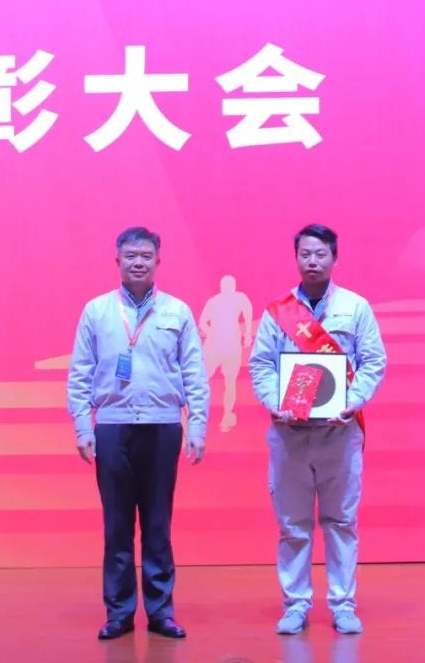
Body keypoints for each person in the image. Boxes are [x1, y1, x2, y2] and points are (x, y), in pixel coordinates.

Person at [67, 226, 210, 640]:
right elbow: (80, 373)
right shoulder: (97, 311)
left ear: (157, 261)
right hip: (112, 426)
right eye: (130, 256)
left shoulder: (177, 311)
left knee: (157, 523)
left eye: (146, 256)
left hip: (163, 425)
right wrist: (83, 426)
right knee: (116, 526)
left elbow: (194, 373)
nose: (138, 262)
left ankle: (161, 611)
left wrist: (197, 424)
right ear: (117, 261)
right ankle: (119, 612)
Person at [248, 223, 387, 635]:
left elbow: (373, 361)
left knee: (340, 522)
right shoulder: (279, 311)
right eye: (305, 254)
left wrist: (352, 401)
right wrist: (275, 403)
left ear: (334, 258)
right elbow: (261, 365)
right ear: (296, 258)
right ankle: (296, 605)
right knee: (293, 526)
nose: (312, 261)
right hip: (289, 435)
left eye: (320, 254)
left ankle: (343, 604)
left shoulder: (355, 307)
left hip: (339, 434)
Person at [198, 275, 254, 431]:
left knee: (227, 381)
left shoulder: (230, 299)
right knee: (213, 381)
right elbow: (202, 323)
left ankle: (225, 415)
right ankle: (207, 416)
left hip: (226, 344)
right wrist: (247, 335)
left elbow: (248, 314)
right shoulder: (218, 301)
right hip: (222, 344)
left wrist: (247, 335)